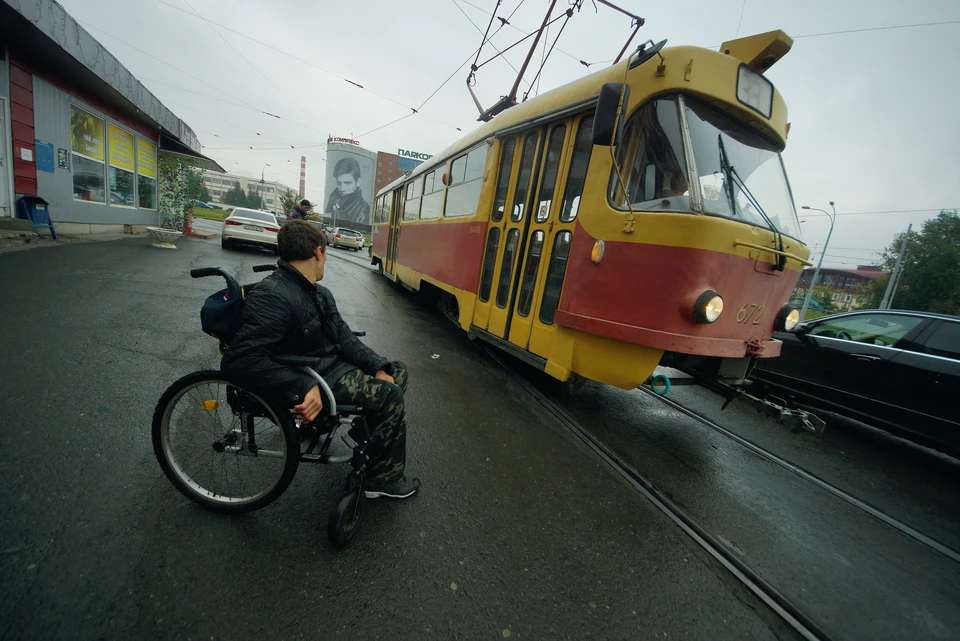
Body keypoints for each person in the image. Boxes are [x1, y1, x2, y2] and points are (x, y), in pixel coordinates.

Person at [220, 219, 420, 499]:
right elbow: (240, 361)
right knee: (391, 396)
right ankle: (380, 481)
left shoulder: (317, 293)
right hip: (314, 376)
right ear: (318, 252)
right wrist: (302, 385)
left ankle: (369, 436)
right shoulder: (273, 295)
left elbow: (345, 338)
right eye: (324, 254)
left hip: (328, 368)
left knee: (397, 371)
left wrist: (378, 366)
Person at [324, 157, 371, 225]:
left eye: (347, 183)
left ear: (358, 182)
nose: (342, 189)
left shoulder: (364, 208)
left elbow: (357, 229)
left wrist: (339, 219)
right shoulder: (333, 198)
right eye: (339, 183)